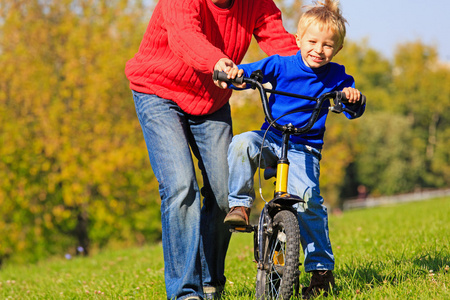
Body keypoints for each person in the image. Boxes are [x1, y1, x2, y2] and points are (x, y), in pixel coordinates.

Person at [124, 0, 299, 299]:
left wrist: (316, 72)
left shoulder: (256, 3)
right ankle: (185, 293)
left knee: (225, 195)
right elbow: (184, 35)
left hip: (210, 102)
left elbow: (281, 43)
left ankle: (209, 282)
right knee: (181, 187)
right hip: (158, 91)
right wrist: (217, 62)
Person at [222, 0, 366, 298]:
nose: (319, 49)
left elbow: (353, 105)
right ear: (298, 40)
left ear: (337, 49)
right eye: (312, 41)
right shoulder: (281, 63)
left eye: (328, 45)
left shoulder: (336, 75)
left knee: (310, 203)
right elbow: (250, 74)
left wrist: (352, 96)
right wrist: (237, 75)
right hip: (271, 137)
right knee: (241, 143)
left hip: (304, 147)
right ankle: (239, 205)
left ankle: (321, 272)